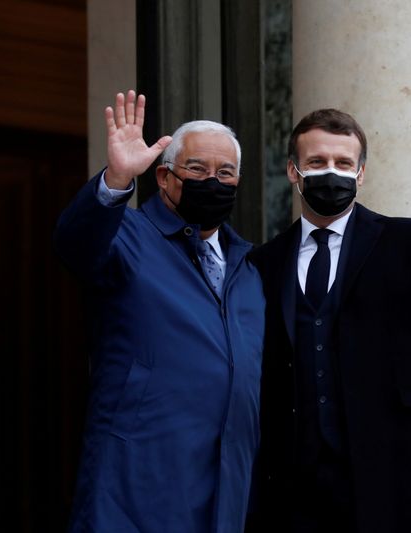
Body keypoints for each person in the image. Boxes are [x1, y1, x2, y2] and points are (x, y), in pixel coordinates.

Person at [245, 109, 411, 533]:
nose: (331, 173)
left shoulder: (404, 240)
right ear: (294, 172)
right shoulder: (263, 262)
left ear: (361, 174)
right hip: (296, 487)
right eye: (316, 163)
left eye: (344, 164)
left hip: (395, 470)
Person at [54, 90, 265, 532]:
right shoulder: (128, 234)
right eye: (197, 168)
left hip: (227, 481)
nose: (213, 180)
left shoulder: (249, 266)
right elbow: (75, 245)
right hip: (138, 477)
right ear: (165, 178)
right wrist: (115, 181)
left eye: (225, 172)